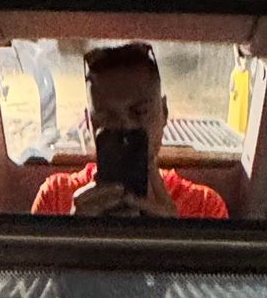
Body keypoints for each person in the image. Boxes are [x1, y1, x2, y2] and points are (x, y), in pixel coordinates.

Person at [30, 43, 230, 219]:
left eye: (140, 112)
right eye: (106, 117)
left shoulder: (205, 206)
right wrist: (73, 233)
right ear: (89, 122)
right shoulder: (55, 197)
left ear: (165, 112)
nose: (126, 126)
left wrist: (173, 240)